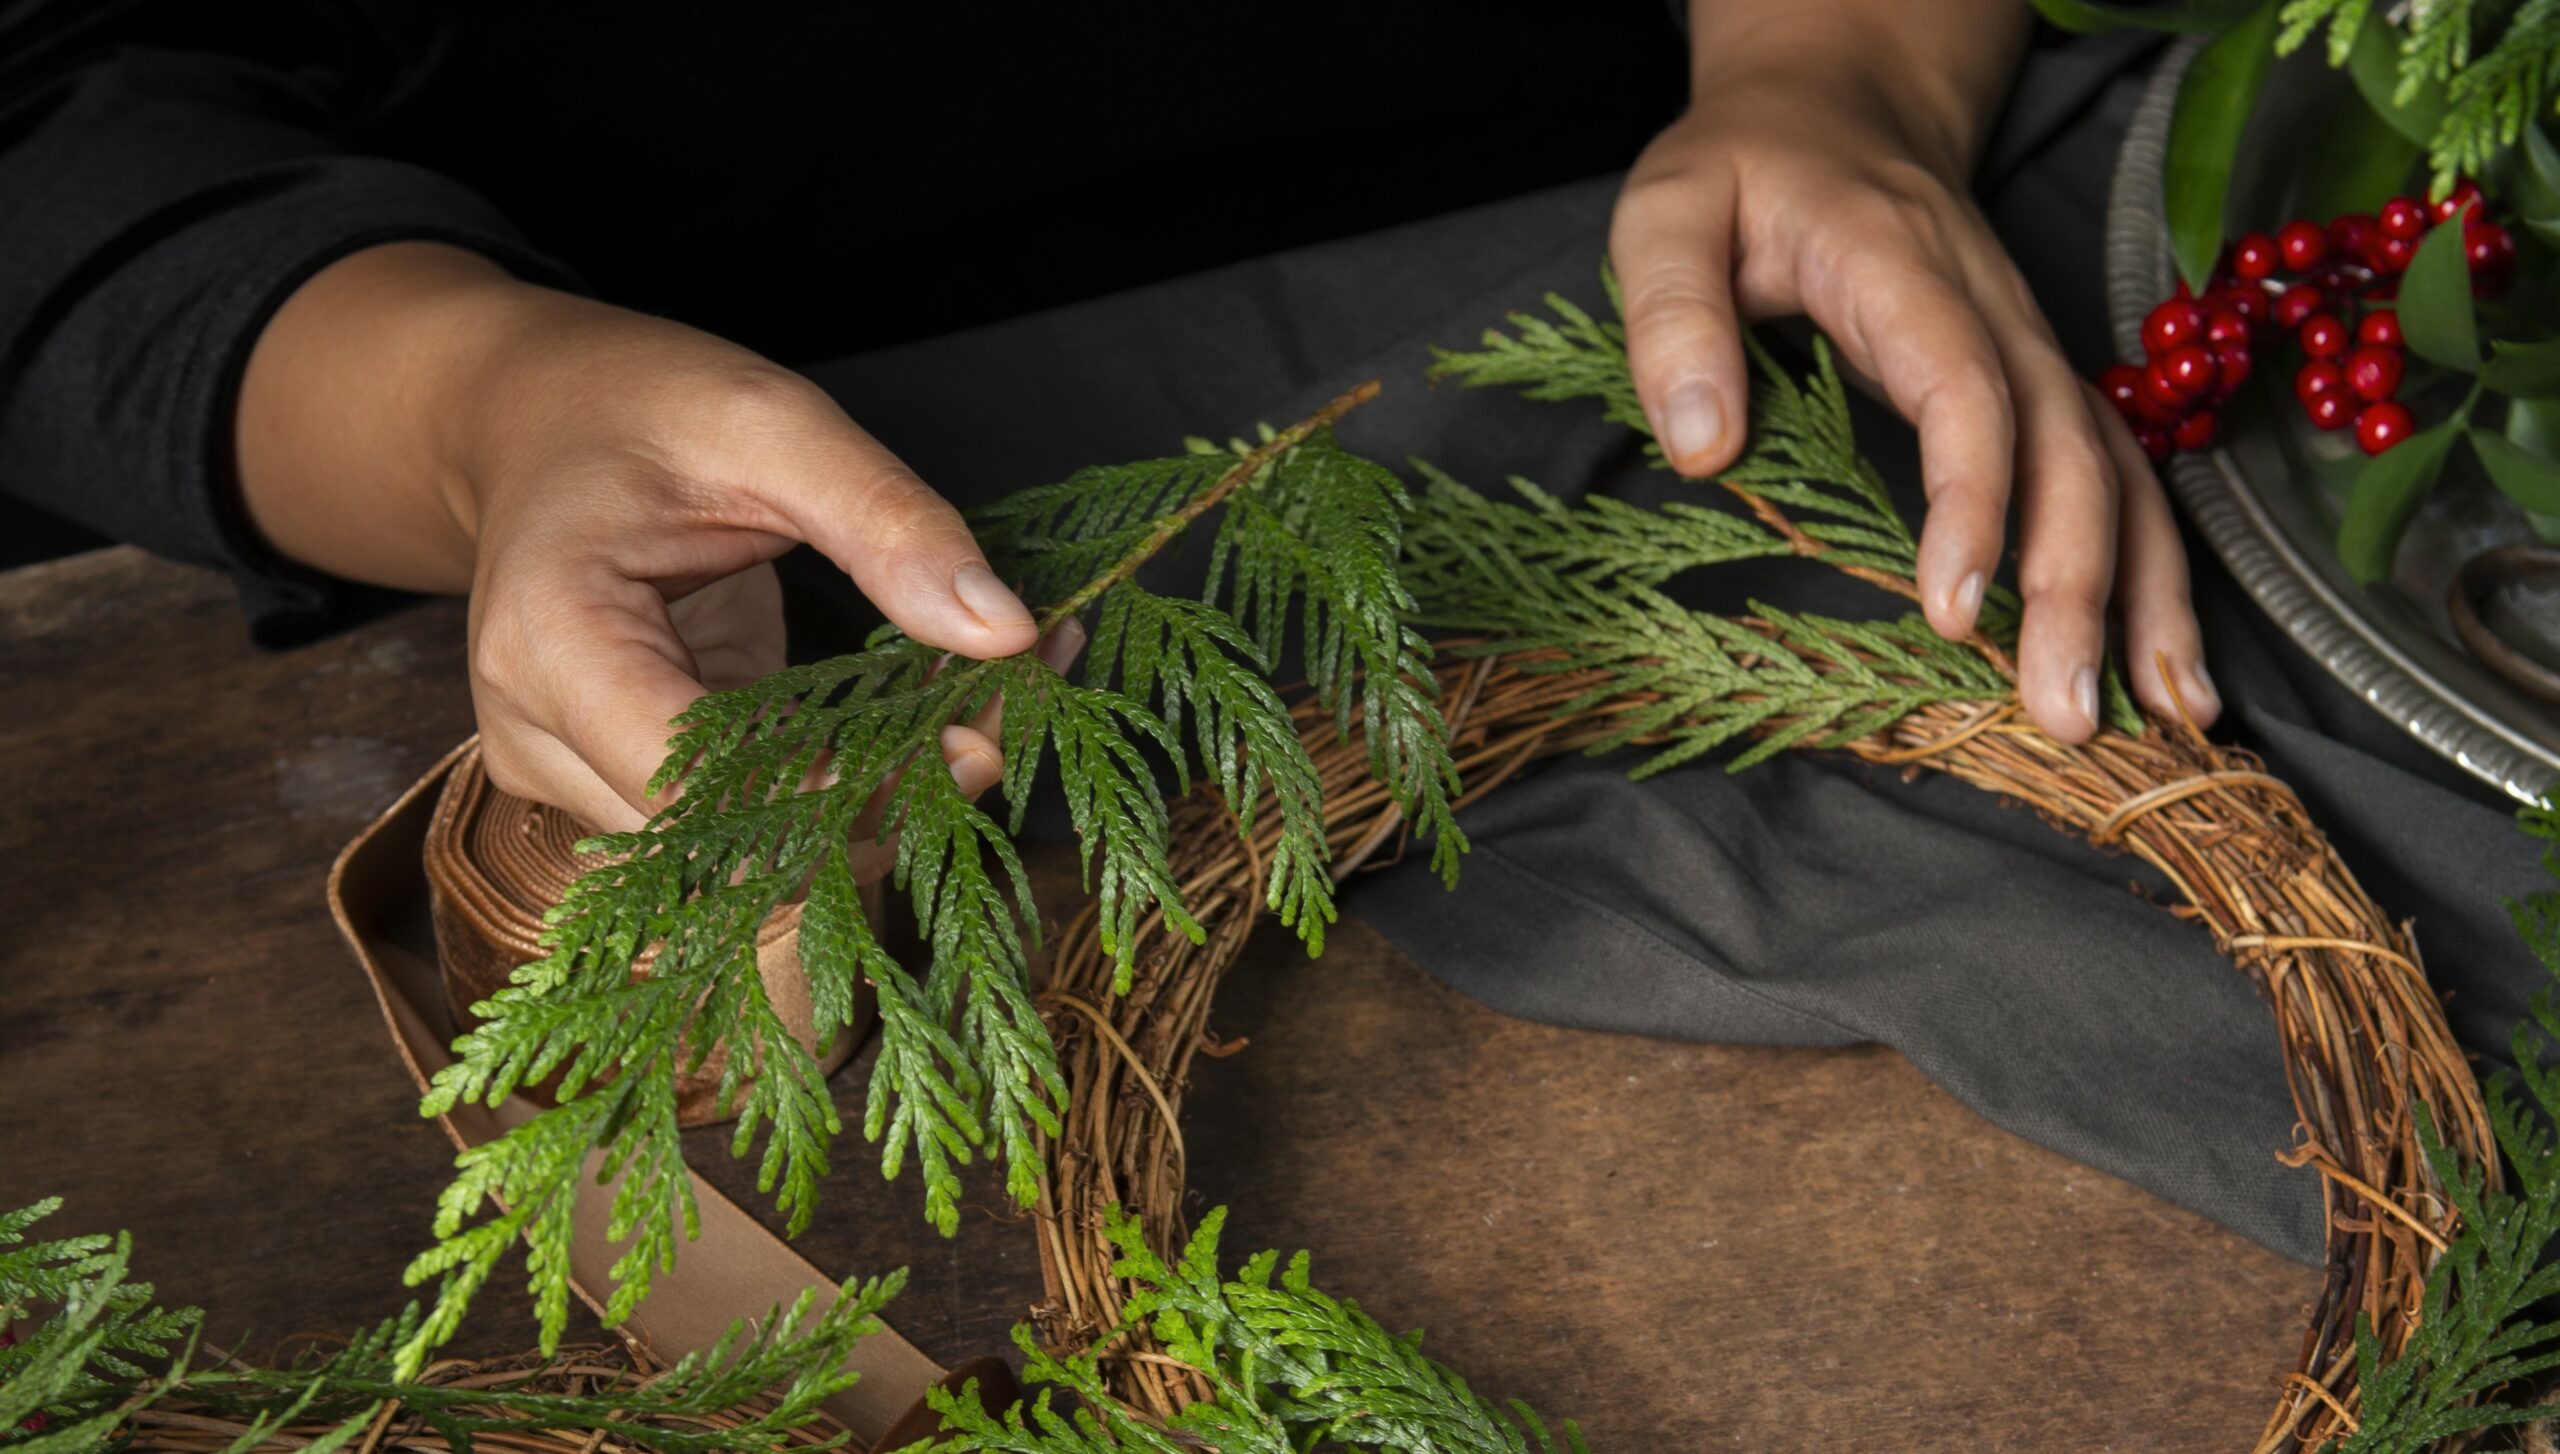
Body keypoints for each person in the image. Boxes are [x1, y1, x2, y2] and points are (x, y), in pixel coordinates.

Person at [0, 0, 2210, 841]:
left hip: (1674, 226)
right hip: (718, 447)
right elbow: (49, 128)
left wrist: (1836, 72)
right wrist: (486, 414)